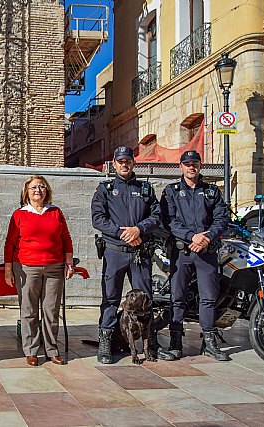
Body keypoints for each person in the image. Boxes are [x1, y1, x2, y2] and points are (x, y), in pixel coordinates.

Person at [91, 146, 175, 364]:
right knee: (110, 298)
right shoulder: (105, 189)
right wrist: (123, 234)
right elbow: (98, 219)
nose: (124, 164)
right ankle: (106, 341)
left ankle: (152, 345)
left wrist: (139, 229)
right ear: (115, 164)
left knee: (146, 300)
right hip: (115, 251)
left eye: (128, 160)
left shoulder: (145, 189)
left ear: (133, 163)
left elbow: (156, 216)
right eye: (120, 161)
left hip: (140, 253)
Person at [161, 150, 230, 361]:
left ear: (200, 166)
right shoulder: (171, 191)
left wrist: (207, 237)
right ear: (180, 167)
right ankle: (175, 343)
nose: (191, 167)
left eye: (195, 163)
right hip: (182, 252)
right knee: (177, 298)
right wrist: (192, 236)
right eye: (187, 164)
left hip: (206, 252)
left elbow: (222, 219)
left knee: (208, 298)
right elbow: (168, 220)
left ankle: (209, 342)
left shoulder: (211, 191)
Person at [4, 175, 74, 366]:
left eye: (42, 187)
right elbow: (10, 243)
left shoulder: (56, 212)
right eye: (34, 187)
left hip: (54, 268)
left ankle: (52, 350)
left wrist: (69, 263)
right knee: (29, 311)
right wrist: (8, 269)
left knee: (51, 310)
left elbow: (66, 238)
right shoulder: (19, 214)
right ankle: (31, 350)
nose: (38, 190)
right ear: (26, 191)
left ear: (47, 191)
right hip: (26, 268)